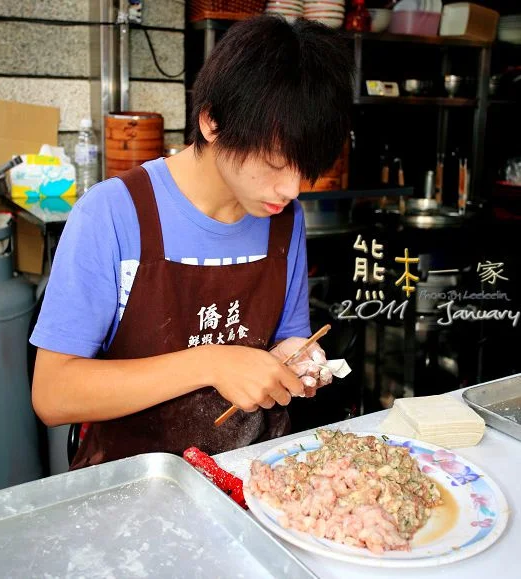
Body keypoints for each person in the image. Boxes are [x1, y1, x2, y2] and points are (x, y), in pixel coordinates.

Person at [30, 14, 354, 469]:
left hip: (251, 478)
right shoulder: (114, 213)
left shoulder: (284, 219)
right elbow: (53, 394)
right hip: (132, 487)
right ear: (211, 123)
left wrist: (297, 360)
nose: (293, 189)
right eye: (275, 162)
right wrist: (210, 363)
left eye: (307, 168)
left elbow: (289, 338)